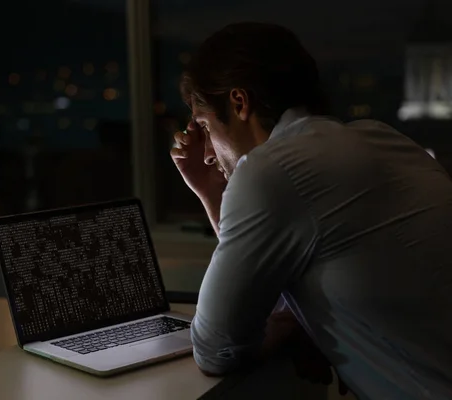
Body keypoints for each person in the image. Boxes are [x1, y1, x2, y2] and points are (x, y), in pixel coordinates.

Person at [171, 22, 452, 400]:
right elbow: (263, 276)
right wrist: (209, 190)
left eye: (205, 126)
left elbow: (215, 347)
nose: (206, 152)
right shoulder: (382, 137)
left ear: (239, 103)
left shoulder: (271, 170)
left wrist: (290, 326)